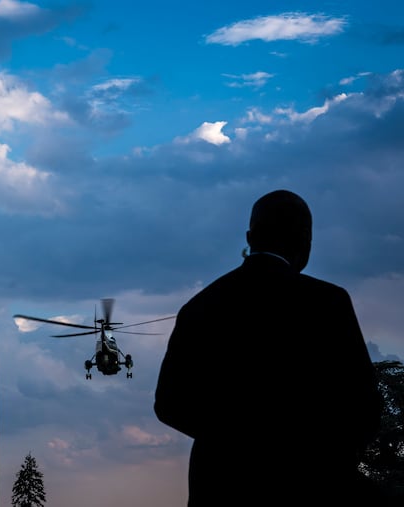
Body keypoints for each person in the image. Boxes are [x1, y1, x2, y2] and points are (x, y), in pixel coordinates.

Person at [154, 189, 383, 506]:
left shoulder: (200, 306)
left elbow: (169, 405)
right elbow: (365, 405)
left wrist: (231, 442)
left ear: (250, 236)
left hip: (221, 487)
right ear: (305, 239)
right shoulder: (328, 302)